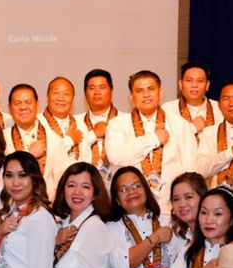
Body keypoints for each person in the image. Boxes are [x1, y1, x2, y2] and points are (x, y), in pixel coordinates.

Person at [105, 70, 196, 215]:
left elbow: (190, 169)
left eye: (151, 89)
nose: (146, 95)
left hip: (171, 209)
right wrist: (154, 139)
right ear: (131, 96)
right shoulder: (118, 124)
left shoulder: (179, 124)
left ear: (160, 92)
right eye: (140, 91)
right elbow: (116, 156)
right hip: (130, 209)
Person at [41, 77, 92, 189]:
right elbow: (44, 156)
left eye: (67, 94)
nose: (61, 98)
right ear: (47, 97)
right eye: (56, 93)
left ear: (73, 100)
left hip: (76, 191)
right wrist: (69, 140)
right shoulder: (38, 123)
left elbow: (87, 160)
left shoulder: (80, 124)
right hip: (47, 190)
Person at [5, 85, 51, 185]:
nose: (23, 107)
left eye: (28, 102)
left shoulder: (53, 138)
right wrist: (29, 153)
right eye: (17, 103)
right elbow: (1, 173)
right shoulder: (2, 139)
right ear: (9, 108)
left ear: (37, 105)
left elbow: (61, 176)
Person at [79, 68, 118, 175]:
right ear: (85, 93)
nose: (97, 92)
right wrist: (93, 135)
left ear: (112, 91)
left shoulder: (126, 121)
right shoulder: (75, 122)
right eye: (92, 88)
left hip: (117, 186)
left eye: (102, 87)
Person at [175, 62, 219, 133]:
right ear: (180, 84)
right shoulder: (167, 110)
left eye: (200, 81)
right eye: (189, 80)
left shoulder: (220, 109)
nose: (194, 85)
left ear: (207, 85)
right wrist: (192, 128)